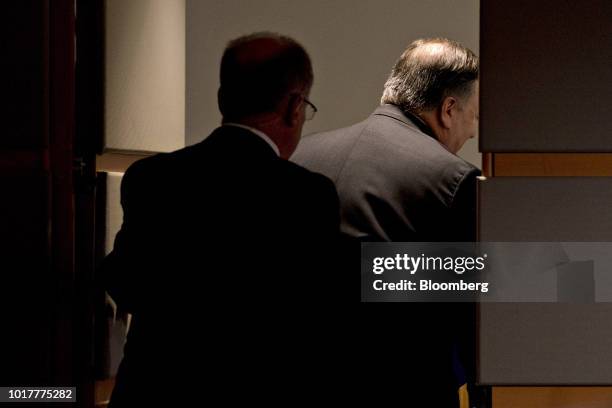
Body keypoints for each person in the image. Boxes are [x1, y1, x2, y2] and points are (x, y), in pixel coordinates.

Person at [103, 32, 341, 406]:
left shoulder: (151, 177)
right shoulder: (307, 195)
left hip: (155, 391)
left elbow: (127, 283)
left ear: (221, 99)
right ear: (296, 107)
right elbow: (320, 308)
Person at [292, 38, 480, 407]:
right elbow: (471, 314)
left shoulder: (302, 155)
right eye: (474, 116)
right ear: (449, 109)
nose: (472, 132)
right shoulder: (455, 182)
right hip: (402, 388)